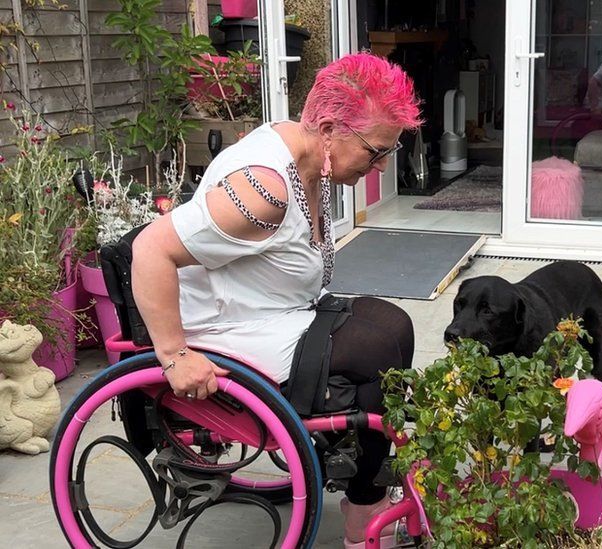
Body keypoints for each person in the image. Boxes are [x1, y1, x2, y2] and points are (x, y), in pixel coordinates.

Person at [131, 53, 422, 548]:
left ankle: (364, 481)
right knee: (374, 352)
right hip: (228, 328)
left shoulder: (310, 153)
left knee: (395, 325)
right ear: (329, 128)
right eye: (376, 152)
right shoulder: (263, 189)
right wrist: (175, 355)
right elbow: (150, 249)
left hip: (277, 311)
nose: (381, 165)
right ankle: (364, 512)